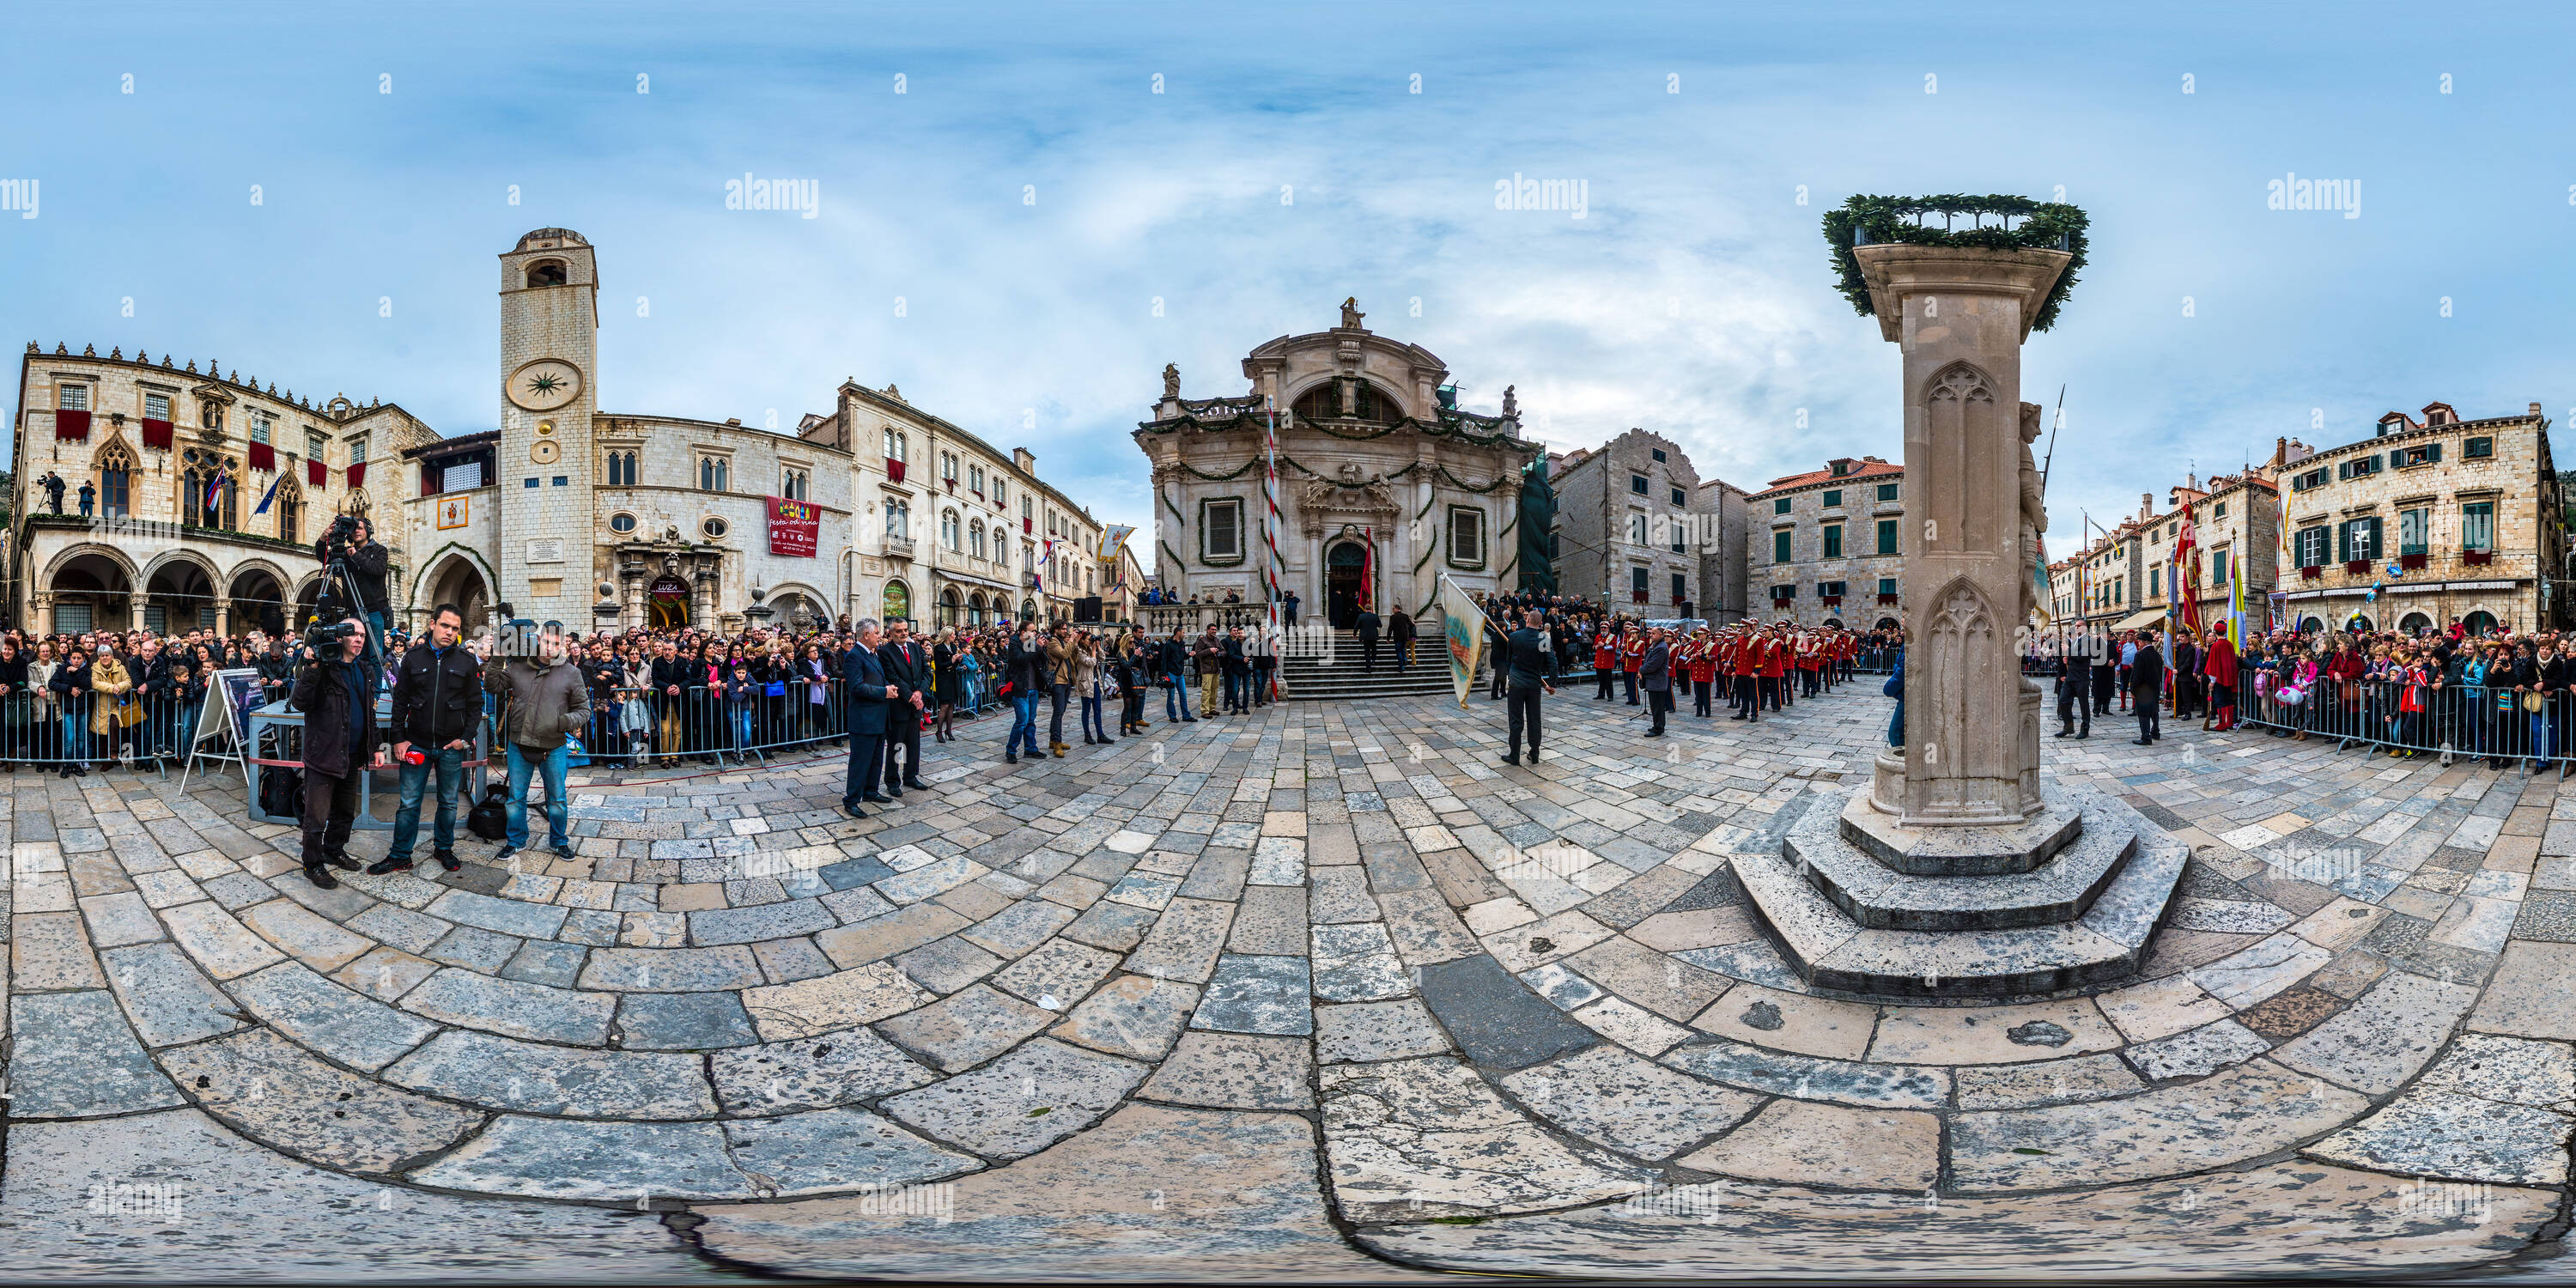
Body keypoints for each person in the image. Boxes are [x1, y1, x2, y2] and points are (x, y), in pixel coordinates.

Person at [371, 604, 481, 875]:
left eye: (455, 628)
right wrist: (398, 739)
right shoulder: (413, 658)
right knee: (408, 803)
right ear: (433, 624)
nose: (450, 632)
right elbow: (400, 702)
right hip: (416, 742)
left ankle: (443, 848)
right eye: (445, 625)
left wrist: (465, 740)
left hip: (451, 746)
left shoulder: (465, 662)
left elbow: (475, 705)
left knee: (448, 802)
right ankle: (399, 856)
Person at [486, 621, 590, 862]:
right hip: (518, 744)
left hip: (553, 747)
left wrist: (561, 722)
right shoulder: (518, 667)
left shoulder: (571, 673)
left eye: (554, 643)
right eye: (545, 641)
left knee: (557, 799)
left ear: (562, 644)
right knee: (515, 798)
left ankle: (558, 841)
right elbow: (492, 686)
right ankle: (516, 840)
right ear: (539, 640)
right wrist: (497, 658)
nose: (548, 647)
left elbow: (584, 710)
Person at [289, 618, 378, 889]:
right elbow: (299, 701)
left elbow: (368, 712)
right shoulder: (324, 668)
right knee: (316, 815)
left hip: (352, 754)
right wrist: (312, 665)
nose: (359, 639)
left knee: (345, 811)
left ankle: (334, 849)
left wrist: (375, 747)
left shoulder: (363, 669)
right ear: (339, 638)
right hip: (324, 754)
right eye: (353, 635)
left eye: (363, 635)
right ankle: (312, 863)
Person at [842, 620, 896, 813]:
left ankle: (871, 790)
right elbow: (856, 687)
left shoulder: (873, 655)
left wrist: (889, 688)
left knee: (875, 759)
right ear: (866, 635)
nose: (879, 636)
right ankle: (851, 800)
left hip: (878, 717)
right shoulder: (854, 656)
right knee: (860, 761)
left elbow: (877, 678)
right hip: (864, 719)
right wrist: (884, 692)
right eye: (877, 633)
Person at [877, 620, 930, 794]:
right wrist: (912, 697)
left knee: (913, 744)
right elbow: (893, 677)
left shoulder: (915, 648)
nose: (904, 633)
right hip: (899, 706)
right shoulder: (885, 652)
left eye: (906, 630)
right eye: (899, 631)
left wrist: (920, 693)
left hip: (916, 705)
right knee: (897, 745)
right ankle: (892, 780)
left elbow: (926, 673)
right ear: (891, 633)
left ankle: (911, 776)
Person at [1500, 610, 1556, 765]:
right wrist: (1551, 684)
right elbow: (1552, 662)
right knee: (1534, 719)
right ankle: (1535, 752)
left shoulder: (1514, 636)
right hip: (1533, 685)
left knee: (1516, 720)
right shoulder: (1543, 637)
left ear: (1528, 619)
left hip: (1517, 684)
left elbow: (1509, 660)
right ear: (1540, 622)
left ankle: (1514, 755)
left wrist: (1512, 676)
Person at [1003, 622, 1047, 762]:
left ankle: (1030, 749)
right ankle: (1011, 750)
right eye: (1032, 631)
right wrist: (1037, 647)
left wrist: (1040, 648)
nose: (1035, 633)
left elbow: (1041, 661)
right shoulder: (1014, 645)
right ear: (1023, 633)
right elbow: (1022, 659)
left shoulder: (1030, 643)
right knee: (1022, 721)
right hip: (1020, 688)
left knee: (1031, 721)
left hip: (1033, 688)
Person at [2130, 630, 2166, 744]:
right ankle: (2155, 731)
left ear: (2144, 642)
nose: (2138, 643)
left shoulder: (2140, 655)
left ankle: (2146, 737)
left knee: (2143, 713)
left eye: (2139, 641)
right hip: (2154, 687)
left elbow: (2137, 675)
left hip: (2143, 688)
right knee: (2154, 710)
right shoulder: (2156, 655)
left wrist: (2133, 689)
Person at [2055, 635, 2093, 738]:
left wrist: (2068, 650)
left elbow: (2081, 656)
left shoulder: (2088, 641)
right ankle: (2068, 727)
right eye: (2076, 626)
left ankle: (2085, 730)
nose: (2076, 627)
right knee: (2062, 700)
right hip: (2070, 677)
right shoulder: (2075, 641)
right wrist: (2067, 660)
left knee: (2083, 704)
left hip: (2081, 678)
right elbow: (2074, 657)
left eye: (2079, 626)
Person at [1640, 628, 1673, 737]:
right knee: (1656, 706)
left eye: (1654, 634)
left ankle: (1658, 728)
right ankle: (1658, 725)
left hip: (1657, 681)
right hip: (1654, 681)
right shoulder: (1655, 645)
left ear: (1661, 635)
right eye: (1650, 633)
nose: (1651, 635)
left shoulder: (1661, 648)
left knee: (1657, 707)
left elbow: (1653, 665)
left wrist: (1641, 670)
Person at [1159, 627, 1196, 724]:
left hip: (1180, 674)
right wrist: (1163, 674)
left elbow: (1183, 656)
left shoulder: (1182, 644)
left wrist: (1189, 655)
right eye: (1183, 632)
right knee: (1171, 695)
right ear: (1178, 633)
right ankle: (1172, 715)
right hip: (1171, 673)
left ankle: (1186, 715)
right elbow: (1164, 659)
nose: (1184, 634)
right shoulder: (1168, 644)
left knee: (1183, 695)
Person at [1389, 608, 1416, 672]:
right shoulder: (1405, 616)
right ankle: (1405, 661)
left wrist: (1388, 638)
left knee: (1399, 652)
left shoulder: (1393, 617)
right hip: (1405, 637)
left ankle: (1401, 667)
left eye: (1393, 609)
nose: (1393, 610)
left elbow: (1390, 628)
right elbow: (1412, 625)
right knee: (1403, 649)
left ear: (1396, 609)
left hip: (1397, 637)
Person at [1356, 607, 1382, 671]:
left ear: (1365, 609)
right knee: (1374, 648)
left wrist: (1354, 634)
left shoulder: (1361, 616)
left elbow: (1357, 626)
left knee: (1367, 652)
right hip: (1374, 636)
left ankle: (1368, 668)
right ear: (1371, 609)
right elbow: (1380, 625)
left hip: (1365, 637)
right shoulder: (1375, 616)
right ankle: (1373, 659)